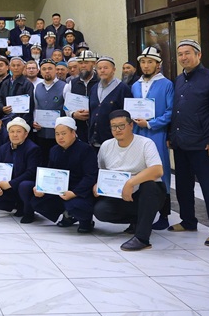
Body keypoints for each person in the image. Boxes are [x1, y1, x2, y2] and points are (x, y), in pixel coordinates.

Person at [169, 39, 209, 247]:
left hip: (203, 145)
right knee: (183, 187)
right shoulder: (179, 80)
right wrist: (171, 136)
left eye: (187, 53)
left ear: (198, 55)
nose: (183, 57)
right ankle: (188, 221)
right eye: (180, 54)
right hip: (181, 143)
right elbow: (176, 112)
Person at [94, 110, 166, 251]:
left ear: (131, 125)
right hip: (120, 195)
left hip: (146, 195)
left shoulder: (145, 143)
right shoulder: (106, 146)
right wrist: (98, 185)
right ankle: (138, 221)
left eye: (121, 125)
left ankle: (142, 238)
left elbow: (157, 170)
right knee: (101, 211)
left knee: (149, 186)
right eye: (114, 126)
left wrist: (131, 183)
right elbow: (102, 172)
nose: (117, 130)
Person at [26, 117, 97, 233]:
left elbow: (90, 176)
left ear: (73, 133)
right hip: (59, 189)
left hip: (80, 191)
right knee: (36, 201)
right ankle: (67, 215)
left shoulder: (86, 149)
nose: (60, 137)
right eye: (57, 134)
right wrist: (41, 187)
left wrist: (74, 193)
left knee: (75, 205)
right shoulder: (54, 150)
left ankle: (86, 221)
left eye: (64, 133)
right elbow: (50, 172)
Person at [130, 47, 173, 230]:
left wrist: (150, 123)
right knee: (137, 170)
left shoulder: (166, 84)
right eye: (143, 62)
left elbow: (170, 111)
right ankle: (137, 215)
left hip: (156, 133)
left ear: (158, 65)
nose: (146, 66)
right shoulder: (135, 85)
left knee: (160, 172)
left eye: (150, 62)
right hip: (137, 134)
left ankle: (164, 215)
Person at [0, 117, 41, 222]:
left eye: (18, 132)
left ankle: (28, 211)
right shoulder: (3, 148)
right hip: (9, 186)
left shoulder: (32, 149)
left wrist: (11, 184)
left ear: (26, 134)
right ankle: (17, 205)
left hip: (24, 185)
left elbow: (31, 173)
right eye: (12, 132)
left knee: (24, 186)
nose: (15, 135)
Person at [88, 57, 133, 148]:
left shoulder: (123, 88)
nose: (102, 70)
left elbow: (128, 115)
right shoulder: (94, 88)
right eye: (99, 68)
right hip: (94, 140)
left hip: (114, 141)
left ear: (113, 70)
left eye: (105, 68)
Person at [64, 50, 99, 143]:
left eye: (86, 62)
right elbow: (66, 107)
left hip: (97, 129)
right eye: (80, 63)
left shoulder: (100, 82)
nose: (83, 65)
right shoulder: (72, 83)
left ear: (94, 63)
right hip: (79, 129)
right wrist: (73, 114)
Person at [32, 59, 66, 154]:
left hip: (59, 133)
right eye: (44, 69)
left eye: (50, 68)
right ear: (40, 72)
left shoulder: (65, 87)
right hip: (41, 132)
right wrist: (35, 121)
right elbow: (35, 107)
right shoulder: (37, 87)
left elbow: (68, 110)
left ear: (55, 70)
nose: (47, 71)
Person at [0, 56, 36, 129]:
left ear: (23, 67)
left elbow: (30, 105)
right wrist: (2, 108)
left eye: (18, 65)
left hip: (21, 120)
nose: (16, 68)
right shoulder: (5, 83)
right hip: (7, 118)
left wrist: (23, 123)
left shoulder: (27, 84)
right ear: (9, 67)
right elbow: (0, 99)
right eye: (13, 65)